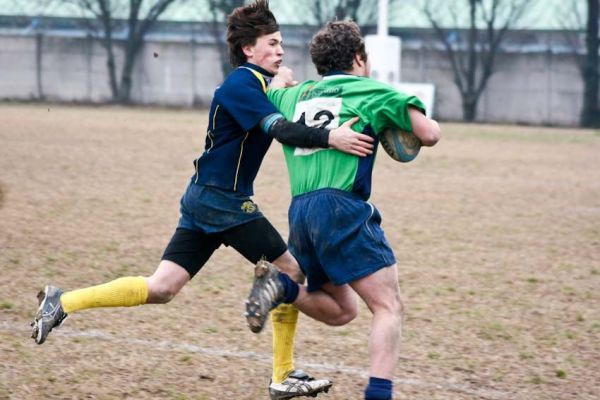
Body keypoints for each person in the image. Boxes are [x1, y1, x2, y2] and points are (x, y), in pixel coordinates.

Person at [30, 2, 375, 399]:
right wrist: (329, 137)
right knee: (291, 272)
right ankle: (282, 375)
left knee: (162, 287)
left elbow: (290, 103)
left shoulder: (257, 84)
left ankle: (63, 301)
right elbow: (279, 128)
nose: (281, 50)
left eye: (282, 43)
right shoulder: (240, 85)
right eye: (273, 43)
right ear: (249, 49)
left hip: (203, 197)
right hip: (223, 201)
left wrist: (283, 86)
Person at [244, 20, 441, 400]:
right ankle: (378, 395)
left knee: (340, 310)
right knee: (388, 306)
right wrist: (421, 124)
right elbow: (428, 134)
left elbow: (274, 90)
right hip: (341, 208)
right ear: (357, 58)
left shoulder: (295, 96)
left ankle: (281, 286)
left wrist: (282, 78)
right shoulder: (372, 91)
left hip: (301, 213)